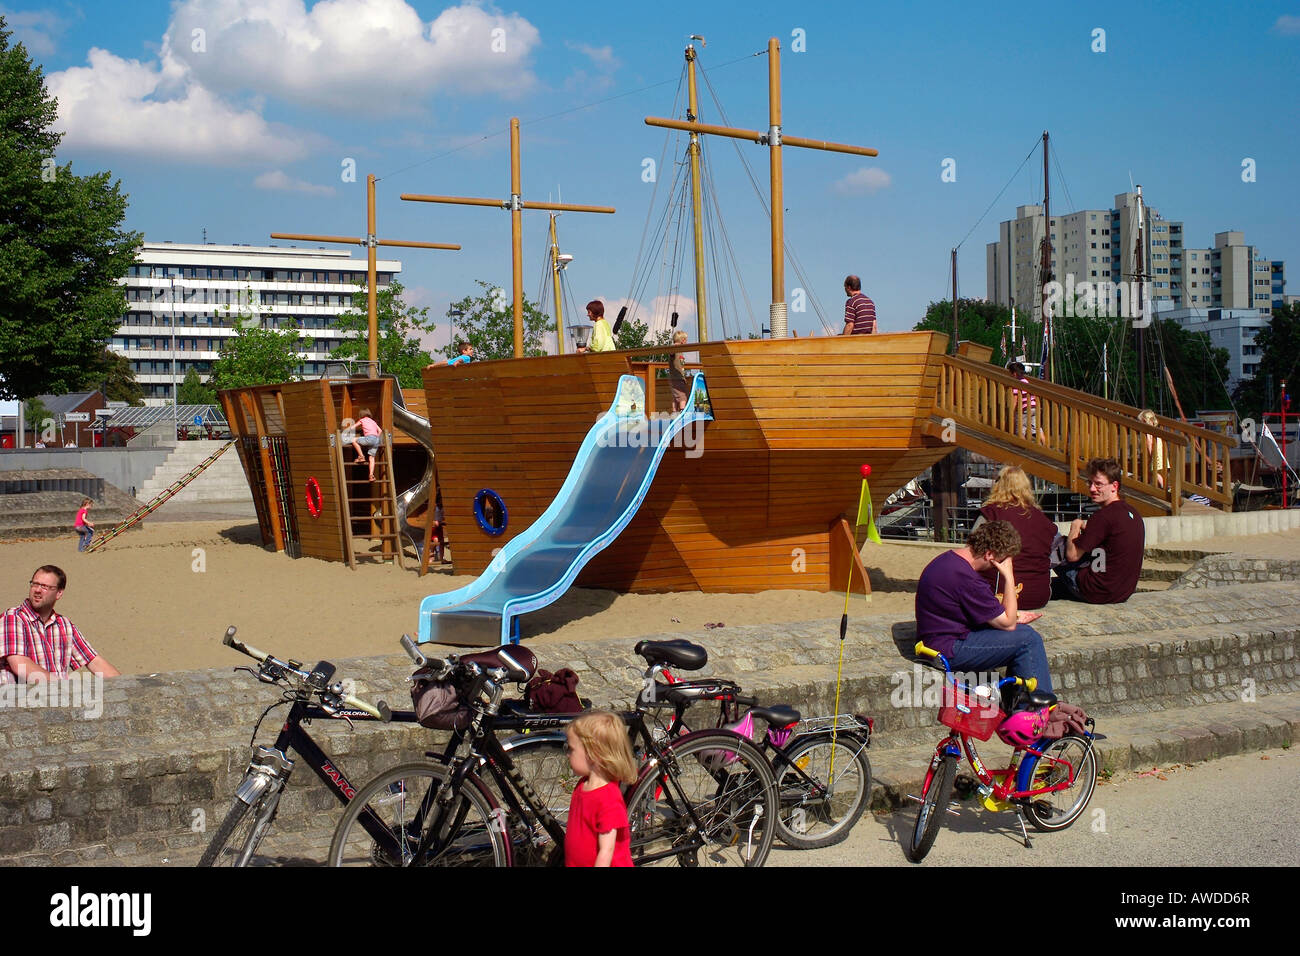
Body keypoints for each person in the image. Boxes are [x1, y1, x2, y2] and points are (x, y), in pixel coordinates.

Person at [914, 521, 1052, 693]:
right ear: (989, 555)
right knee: (1028, 639)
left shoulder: (947, 561)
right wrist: (1009, 577)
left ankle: (1022, 702)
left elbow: (981, 610)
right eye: (1001, 561)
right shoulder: (966, 578)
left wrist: (1013, 616)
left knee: (1022, 633)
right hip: (947, 649)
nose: (999, 567)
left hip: (934, 641)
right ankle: (1036, 708)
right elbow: (1008, 624)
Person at [2, 566, 120, 683]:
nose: (37, 590)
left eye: (45, 587)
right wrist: (63, 688)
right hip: (20, 699)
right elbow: (20, 665)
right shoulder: (13, 618)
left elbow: (95, 662)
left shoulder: (64, 625)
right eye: (35, 584)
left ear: (59, 593)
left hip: (58, 698)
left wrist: (128, 685)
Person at [1055, 456, 1145, 604]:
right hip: (1122, 592)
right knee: (1057, 585)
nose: (1091, 489)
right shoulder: (1133, 513)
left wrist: (1075, 526)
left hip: (1096, 591)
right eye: (1090, 483)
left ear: (1114, 486)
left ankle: (1027, 585)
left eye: (1098, 484)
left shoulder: (1103, 517)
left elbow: (1072, 556)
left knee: (1051, 537)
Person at [974, 466, 1057, 610]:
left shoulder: (991, 513)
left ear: (999, 486)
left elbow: (970, 552)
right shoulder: (1043, 520)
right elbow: (1055, 556)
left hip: (999, 593)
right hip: (1038, 596)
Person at [564, 710, 637, 867]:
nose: (568, 754)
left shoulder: (608, 799)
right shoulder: (583, 785)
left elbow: (606, 851)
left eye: (571, 749)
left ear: (593, 754)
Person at [1008, 362, 1046, 446]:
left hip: (1024, 409)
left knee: (1020, 429)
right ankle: (1045, 446)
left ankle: (1023, 447)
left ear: (1014, 374)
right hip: (1034, 407)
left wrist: (1012, 412)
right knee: (1037, 428)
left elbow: (1015, 399)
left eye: (1010, 373)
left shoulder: (1017, 384)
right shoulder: (1026, 382)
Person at [349, 407, 382, 481]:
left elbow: (352, 427)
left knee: (353, 440)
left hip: (369, 438)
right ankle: (371, 475)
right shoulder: (373, 421)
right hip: (376, 440)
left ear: (361, 414)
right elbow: (380, 430)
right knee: (371, 458)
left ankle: (361, 456)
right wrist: (376, 437)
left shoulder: (362, 420)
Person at [1137, 409, 1166, 489]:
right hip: (1160, 453)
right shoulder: (1155, 431)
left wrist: (1150, 454)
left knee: (1155, 472)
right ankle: (1155, 485)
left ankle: (1165, 486)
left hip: (1155, 453)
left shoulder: (1148, 432)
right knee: (1156, 470)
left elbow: (1149, 443)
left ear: (1144, 421)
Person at [669, 330, 691, 412]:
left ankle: (675, 411)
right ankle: (682, 410)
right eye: (686, 340)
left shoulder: (680, 351)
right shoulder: (676, 349)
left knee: (676, 396)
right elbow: (671, 352)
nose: (686, 342)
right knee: (682, 396)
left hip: (679, 377)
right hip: (676, 377)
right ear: (683, 341)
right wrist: (675, 345)